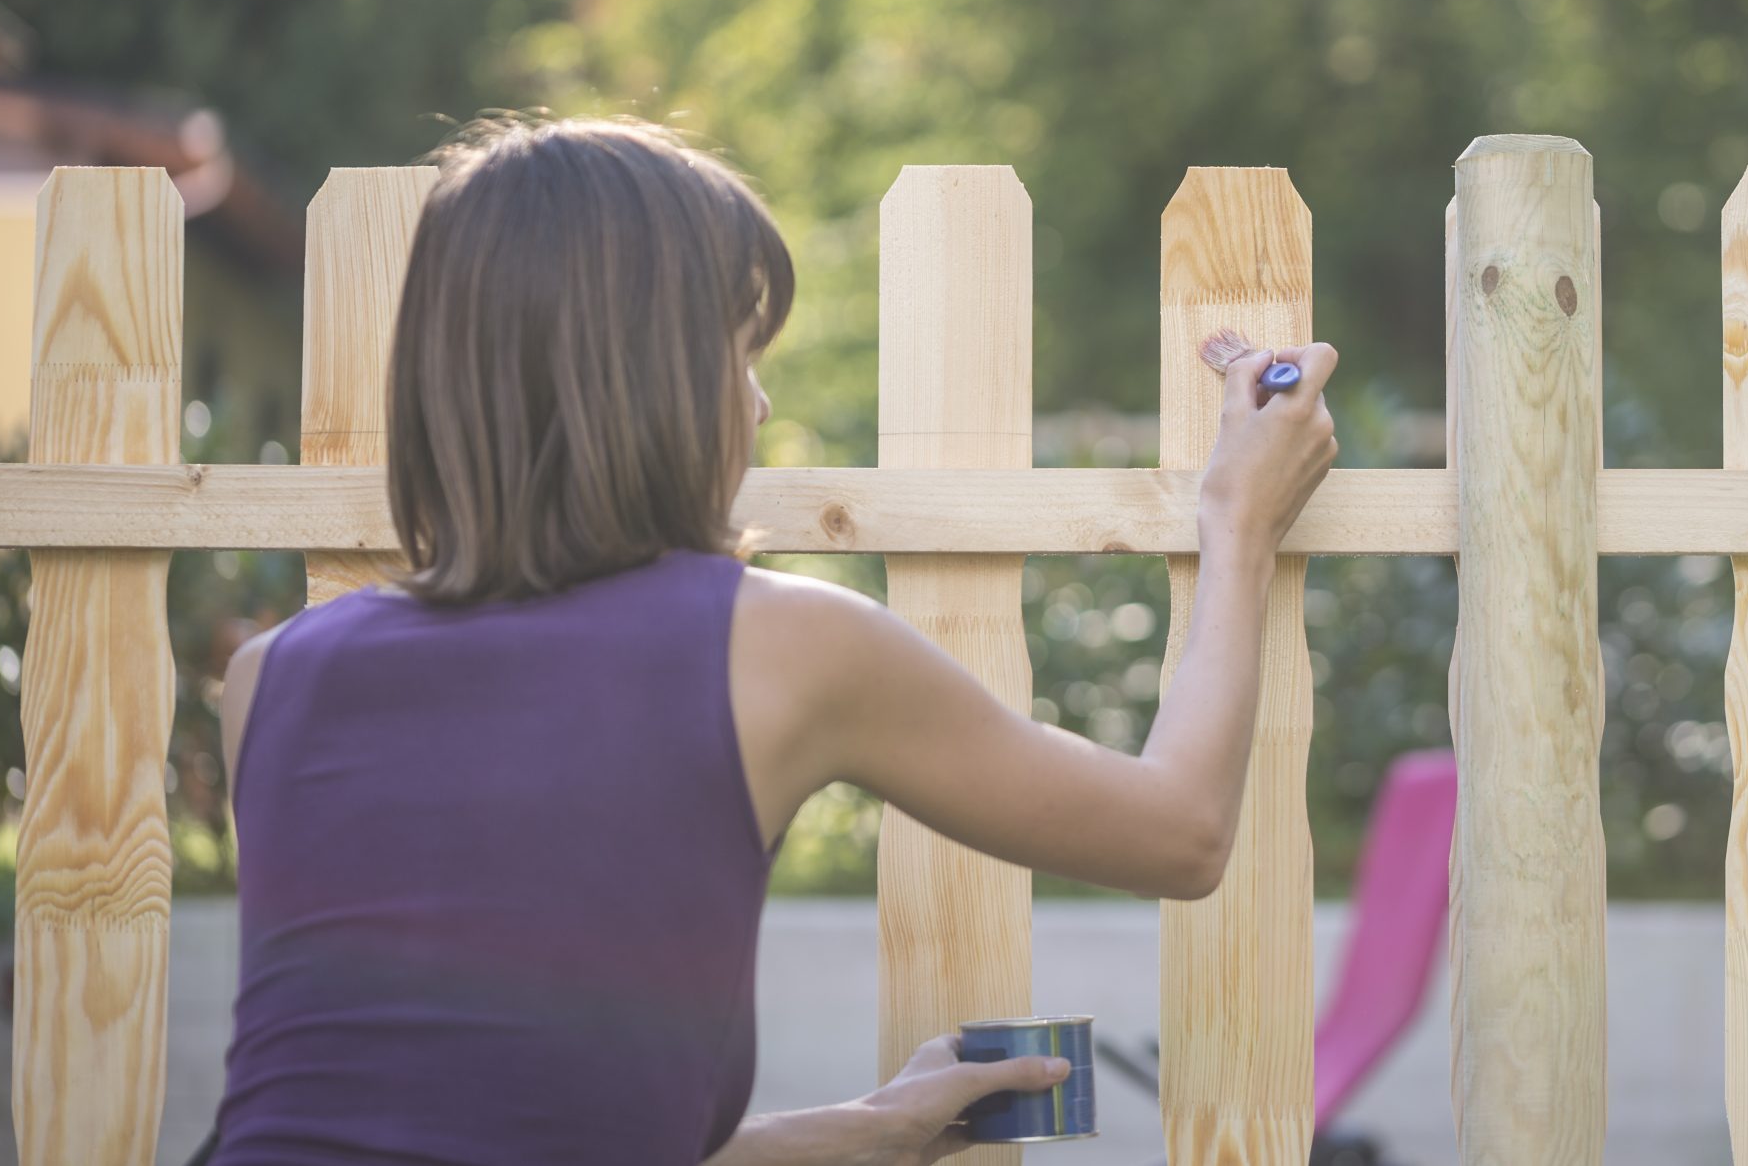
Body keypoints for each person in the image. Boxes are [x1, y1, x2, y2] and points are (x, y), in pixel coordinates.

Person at [205, 116, 1339, 1165]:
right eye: (738, 354)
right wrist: (1238, 520)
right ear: (647, 379)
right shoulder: (769, 643)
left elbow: (469, 1116)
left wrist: (863, 1132)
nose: (754, 404)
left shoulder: (274, 678)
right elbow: (1180, 831)